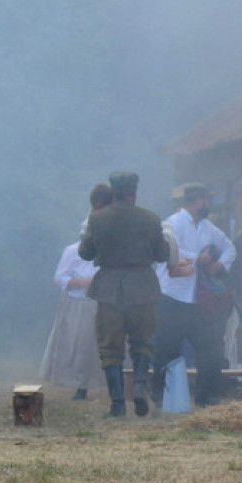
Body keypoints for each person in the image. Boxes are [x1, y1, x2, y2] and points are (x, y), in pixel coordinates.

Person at [79, 172, 169, 417]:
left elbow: (85, 253)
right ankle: (139, 386)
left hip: (109, 289)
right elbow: (162, 254)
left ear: (113, 191)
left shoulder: (98, 219)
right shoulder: (151, 218)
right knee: (143, 343)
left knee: (110, 348)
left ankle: (117, 404)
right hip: (142, 287)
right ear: (134, 193)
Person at [151, 183, 237, 409]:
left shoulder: (209, 228)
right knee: (166, 348)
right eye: (208, 200)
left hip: (199, 300)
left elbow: (230, 249)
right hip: (173, 296)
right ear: (199, 201)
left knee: (209, 348)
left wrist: (217, 265)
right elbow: (168, 250)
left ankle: (206, 395)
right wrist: (198, 258)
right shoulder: (172, 223)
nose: (209, 205)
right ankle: (161, 395)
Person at [40, 184, 111, 399]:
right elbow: (60, 277)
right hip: (79, 305)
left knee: (100, 347)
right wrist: (82, 282)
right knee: (79, 347)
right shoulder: (72, 251)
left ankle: (108, 384)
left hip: (103, 302)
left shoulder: (109, 251)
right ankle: (80, 386)